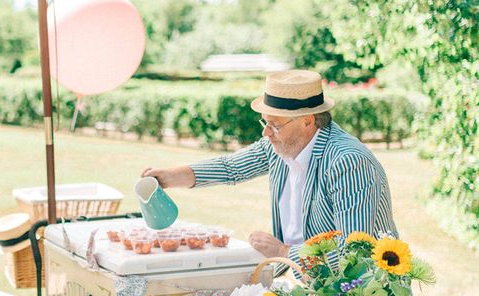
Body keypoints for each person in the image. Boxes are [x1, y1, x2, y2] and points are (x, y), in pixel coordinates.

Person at [142, 69, 399, 268]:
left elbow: (354, 249)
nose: (266, 132)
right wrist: (170, 176)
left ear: (307, 121)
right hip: (311, 281)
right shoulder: (280, 145)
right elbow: (231, 167)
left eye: (275, 124)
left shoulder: (347, 162)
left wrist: (283, 253)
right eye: (265, 122)